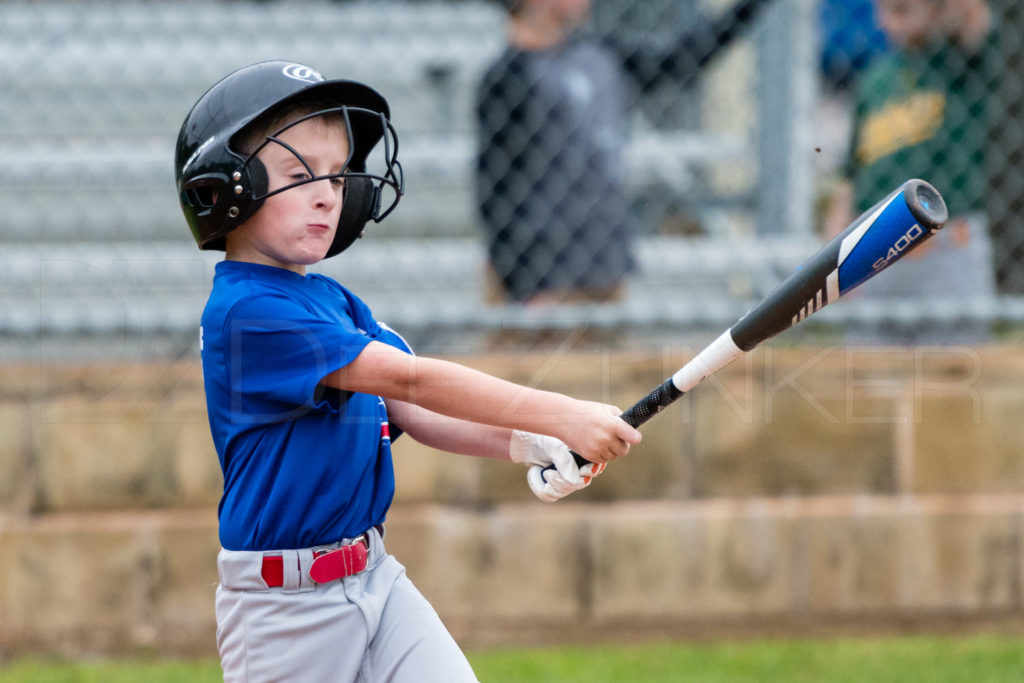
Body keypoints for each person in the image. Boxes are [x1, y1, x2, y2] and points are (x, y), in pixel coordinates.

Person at [174, 60, 641, 682]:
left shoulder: (332, 301)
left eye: (338, 178)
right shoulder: (248, 311)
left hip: (376, 579)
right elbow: (411, 380)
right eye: (300, 174)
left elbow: (413, 412)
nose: (327, 194)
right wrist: (560, 412)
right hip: (284, 614)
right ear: (229, 185)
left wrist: (532, 442)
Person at [475, 0, 774, 306]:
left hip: (601, 261)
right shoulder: (507, 77)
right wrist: (521, 284)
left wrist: (745, 10)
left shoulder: (598, 56)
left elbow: (680, 60)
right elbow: (496, 193)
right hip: (540, 273)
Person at [824, 0, 998, 345]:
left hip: (947, 252)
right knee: (871, 380)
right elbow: (852, 179)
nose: (889, 21)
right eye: (885, 10)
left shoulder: (958, 63)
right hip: (875, 251)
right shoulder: (875, 80)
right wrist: (836, 257)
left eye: (903, 9)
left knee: (951, 379)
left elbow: (972, 16)